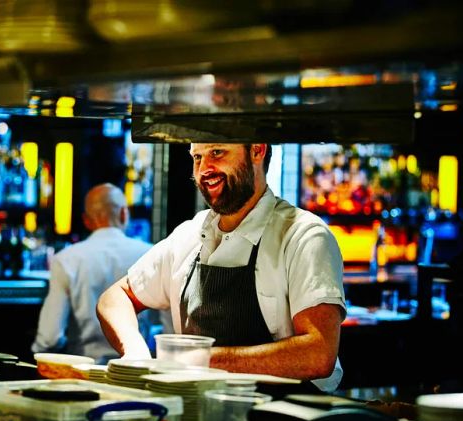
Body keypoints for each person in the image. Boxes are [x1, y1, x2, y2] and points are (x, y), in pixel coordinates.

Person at [96, 144, 346, 391]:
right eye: (197, 157)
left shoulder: (304, 236)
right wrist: (135, 351)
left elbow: (318, 354)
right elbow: (115, 297)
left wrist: (202, 360)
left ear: (257, 150)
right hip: (196, 413)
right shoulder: (188, 236)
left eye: (217, 153)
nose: (204, 169)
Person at [32, 183, 153, 363]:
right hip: (137, 372)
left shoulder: (66, 260)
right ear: (124, 214)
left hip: (83, 373)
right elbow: (169, 328)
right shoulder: (150, 254)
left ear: (86, 220)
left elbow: (50, 338)